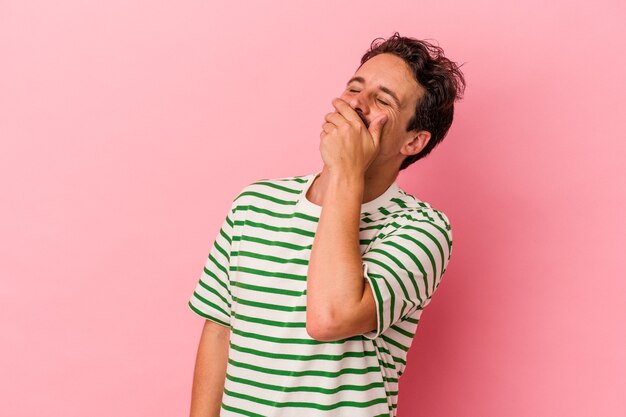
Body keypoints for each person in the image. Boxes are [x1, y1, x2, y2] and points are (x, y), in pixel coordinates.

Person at [187, 32, 465, 417]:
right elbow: (219, 330)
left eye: (382, 100)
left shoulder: (421, 230)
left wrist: (345, 171)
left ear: (414, 142)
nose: (355, 105)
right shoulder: (254, 204)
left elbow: (330, 317)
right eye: (354, 88)